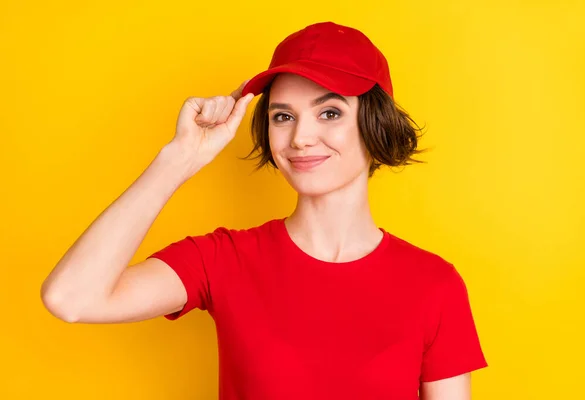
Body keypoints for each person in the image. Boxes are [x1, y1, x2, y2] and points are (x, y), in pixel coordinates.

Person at [41, 21, 487, 400]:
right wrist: (178, 160)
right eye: (283, 116)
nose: (301, 138)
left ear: (375, 124)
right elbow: (71, 298)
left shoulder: (434, 285)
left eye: (329, 112)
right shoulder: (222, 260)